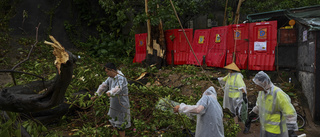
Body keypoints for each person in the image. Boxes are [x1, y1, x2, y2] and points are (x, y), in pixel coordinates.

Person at [245, 71, 298, 137]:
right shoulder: (261, 92)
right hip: (264, 128)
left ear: (264, 83)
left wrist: (291, 130)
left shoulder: (278, 94)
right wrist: (251, 115)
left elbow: (289, 112)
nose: (256, 86)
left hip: (276, 131)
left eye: (257, 84)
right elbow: (259, 106)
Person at [91, 63, 131, 137]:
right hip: (114, 105)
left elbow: (118, 88)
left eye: (107, 71)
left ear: (112, 70)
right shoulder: (111, 77)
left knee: (121, 127)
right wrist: (96, 95)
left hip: (121, 105)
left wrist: (110, 92)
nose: (107, 73)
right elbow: (103, 85)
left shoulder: (121, 77)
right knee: (114, 125)